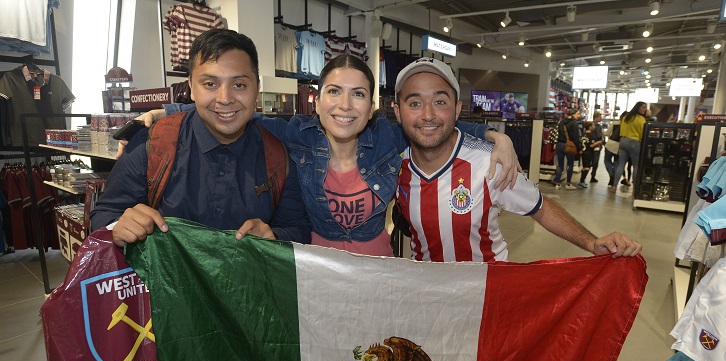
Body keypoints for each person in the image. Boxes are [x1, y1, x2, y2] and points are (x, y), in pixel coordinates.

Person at [125, 55, 521, 257]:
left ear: (372, 107)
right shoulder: (296, 133)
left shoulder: (387, 136)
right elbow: (239, 110)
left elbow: (436, 125)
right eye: (334, 92)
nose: (345, 106)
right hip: (313, 270)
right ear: (317, 101)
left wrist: (493, 136)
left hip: (375, 269)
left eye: (358, 94)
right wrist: (167, 113)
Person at [392, 57, 642, 263]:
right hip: (427, 293)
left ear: (457, 110)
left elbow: (540, 206)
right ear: (397, 112)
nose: (427, 114)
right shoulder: (393, 166)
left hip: (486, 294)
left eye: (439, 102)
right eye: (415, 102)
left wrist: (591, 241)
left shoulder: (489, 162)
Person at [90, 29, 311, 246]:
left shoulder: (279, 156)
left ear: (257, 89)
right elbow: (104, 215)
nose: (225, 99)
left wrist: (273, 236)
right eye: (210, 84)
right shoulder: (152, 143)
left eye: (239, 85)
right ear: (192, 89)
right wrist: (119, 226)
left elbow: (298, 229)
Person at [612, 101, 647, 194]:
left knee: (621, 164)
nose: (645, 109)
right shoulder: (641, 120)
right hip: (634, 142)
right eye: (643, 107)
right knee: (636, 166)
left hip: (623, 141)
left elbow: (621, 130)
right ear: (638, 108)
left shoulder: (626, 117)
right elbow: (642, 133)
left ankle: (614, 186)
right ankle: (635, 188)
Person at [552, 108, 582, 190]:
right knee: (570, 164)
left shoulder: (562, 121)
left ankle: (557, 184)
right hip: (569, 145)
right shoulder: (574, 123)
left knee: (560, 165)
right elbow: (575, 137)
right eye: (578, 114)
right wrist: (579, 148)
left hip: (560, 144)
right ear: (573, 114)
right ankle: (568, 184)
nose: (579, 116)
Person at [579, 121, 601, 188]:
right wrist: (598, 142)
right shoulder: (591, 136)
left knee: (585, 167)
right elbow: (591, 145)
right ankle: (582, 181)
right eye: (593, 125)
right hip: (588, 153)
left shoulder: (584, 135)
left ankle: (582, 180)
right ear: (590, 127)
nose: (594, 126)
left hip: (584, 153)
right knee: (587, 168)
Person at [590, 111, 604, 183]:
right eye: (600, 117)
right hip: (596, 145)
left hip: (589, 145)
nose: (601, 118)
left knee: (588, 161)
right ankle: (593, 176)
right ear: (596, 117)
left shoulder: (589, 124)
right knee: (595, 161)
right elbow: (599, 136)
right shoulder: (598, 126)